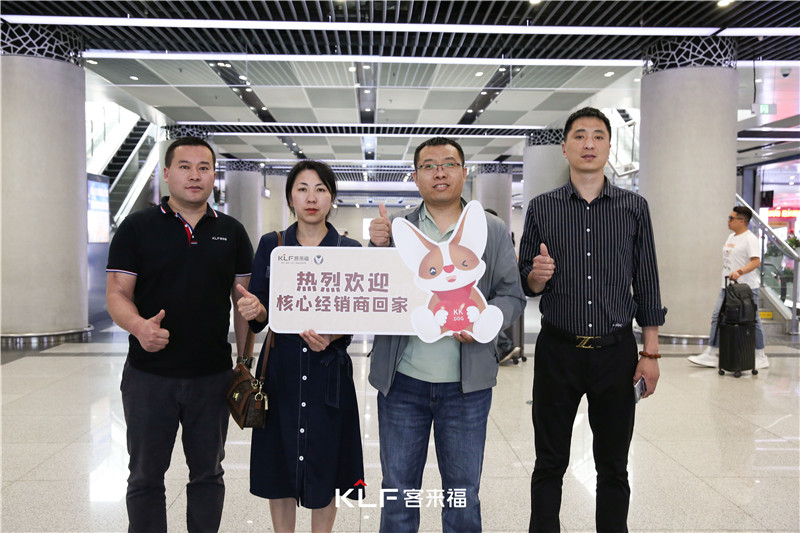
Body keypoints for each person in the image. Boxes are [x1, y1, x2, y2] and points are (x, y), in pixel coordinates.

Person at [518, 107, 667, 533]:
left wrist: (650, 353)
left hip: (615, 353)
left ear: (608, 147)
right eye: (579, 136)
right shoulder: (542, 208)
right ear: (564, 148)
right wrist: (536, 275)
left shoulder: (633, 208)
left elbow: (647, 281)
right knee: (549, 462)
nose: (589, 144)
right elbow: (527, 281)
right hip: (558, 351)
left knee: (614, 466)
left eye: (598, 136)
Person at [368, 137, 526, 533]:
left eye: (449, 164)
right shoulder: (397, 230)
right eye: (429, 165)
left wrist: (487, 321)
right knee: (398, 492)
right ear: (415, 176)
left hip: (466, 388)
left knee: (462, 494)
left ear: (464, 172)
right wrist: (375, 246)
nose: (439, 172)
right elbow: (373, 292)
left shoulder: (490, 229)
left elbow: (512, 294)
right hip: (402, 383)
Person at [106, 137, 254, 533]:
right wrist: (139, 327)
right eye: (185, 167)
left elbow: (243, 302)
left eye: (203, 168)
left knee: (208, 473)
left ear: (213, 176)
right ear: (167, 174)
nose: (194, 175)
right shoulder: (137, 228)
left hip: (212, 377)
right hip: (148, 376)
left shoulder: (232, 232)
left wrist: (244, 361)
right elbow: (117, 294)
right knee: (144, 475)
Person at [235, 160, 365, 533]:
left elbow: (358, 311)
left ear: (332, 197)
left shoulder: (348, 249)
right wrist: (256, 309)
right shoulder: (272, 244)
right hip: (282, 369)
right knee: (281, 461)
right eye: (303, 189)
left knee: (326, 462)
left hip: (328, 371)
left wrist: (334, 335)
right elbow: (260, 311)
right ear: (290, 197)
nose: (311, 198)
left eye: (320, 189)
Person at [688, 206, 769, 369]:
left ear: (742, 221)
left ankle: (760, 355)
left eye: (731, 218)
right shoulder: (731, 237)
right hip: (727, 287)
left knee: (753, 320)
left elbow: (755, 262)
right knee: (717, 317)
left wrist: (739, 272)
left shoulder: (750, 239)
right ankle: (711, 353)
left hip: (746, 288)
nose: (728, 220)